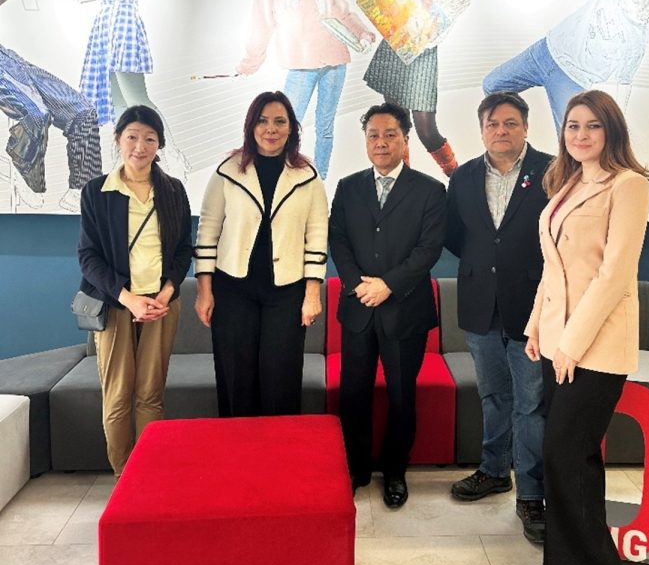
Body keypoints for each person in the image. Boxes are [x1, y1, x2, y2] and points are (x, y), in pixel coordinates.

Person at [524, 89, 649, 565]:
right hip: (559, 343)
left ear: (611, 130)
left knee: (565, 454)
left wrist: (572, 343)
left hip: (596, 346)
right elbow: (553, 267)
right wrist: (537, 327)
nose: (581, 135)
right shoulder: (568, 181)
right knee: (571, 457)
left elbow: (614, 274)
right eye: (573, 126)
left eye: (592, 126)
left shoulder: (628, 185)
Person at [445, 91, 551, 544]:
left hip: (533, 305)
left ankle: (531, 493)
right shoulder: (464, 176)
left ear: (525, 127)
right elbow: (456, 235)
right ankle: (493, 471)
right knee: (493, 395)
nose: (501, 131)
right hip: (480, 303)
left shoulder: (552, 171)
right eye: (492, 124)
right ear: (482, 129)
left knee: (531, 404)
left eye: (510, 123)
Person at [329, 102, 446, 507]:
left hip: (405, 310)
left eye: (390, 134)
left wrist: (389, 285)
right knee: (353, 394)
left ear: (405, 139)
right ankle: (356, 467)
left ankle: (395, 471)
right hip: (359, 307)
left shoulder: (430, 190)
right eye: (373, 135)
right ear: (365, 141)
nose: (381, 142)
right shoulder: (348, 187)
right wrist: (357, 285)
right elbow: (338, 239)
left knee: (401, 395)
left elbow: (429, 249)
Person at [194, 90, 328, 417]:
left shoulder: (308, 175)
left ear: (291, 128)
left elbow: (317, 236)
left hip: (287, 292)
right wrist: (204, 291)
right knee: (236, 379)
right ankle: (238, 446)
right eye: (263, 121)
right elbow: (208, 230)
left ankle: (278, 447)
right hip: (233, 289)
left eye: (280, 121)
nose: (271, 129)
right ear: (251, 126)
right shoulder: (227, 171)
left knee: (281, 380)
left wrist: (312, 293)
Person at [77, 105, 192, 477]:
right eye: (132, 137)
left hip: (161, 304)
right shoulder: (97, 192)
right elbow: (88, 257)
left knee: (150, 394)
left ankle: (148, 475)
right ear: (118, 139)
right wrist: (127, 298)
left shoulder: (173, 190)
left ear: (159, 144)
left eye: (149, 139)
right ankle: (124, 477)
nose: (140, 147)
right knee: (117, 396)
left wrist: (167, 293)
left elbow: (183, 250)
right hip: (115, 304)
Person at [237, 0, 375, 178]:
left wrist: (364, 34)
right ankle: (281, 176)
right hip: (300, 66)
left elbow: (345, 13)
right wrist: (250, 62)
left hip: (335, 62)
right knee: (285, 125)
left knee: (325, 127)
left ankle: (319, 179)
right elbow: (261, 21)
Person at [483, 0, 649, 131]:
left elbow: (624, 83)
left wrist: (618, 123)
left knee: (571, 140)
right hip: (545, 52)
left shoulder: (638, 41)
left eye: (630, 9)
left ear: (644, 15)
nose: (624, 5)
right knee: (491, 86)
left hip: (572, 80)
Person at [78, 0, 189, 179]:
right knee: (116, 101)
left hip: (124, 25)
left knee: (137, 98)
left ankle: (172, 154)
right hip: (104, 26)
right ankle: (129, 161)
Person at [363, 0, 472, 176]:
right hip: (395, 53)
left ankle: (458, 178)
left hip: (422, 59)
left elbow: (437, 31)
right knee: (396, 124)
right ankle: (401, 182)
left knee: (426, 129)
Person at [1, 0, 101, 211]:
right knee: (37, 113)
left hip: (9, 60)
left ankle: (82, 188)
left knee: (83, 111)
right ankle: (27, 174)